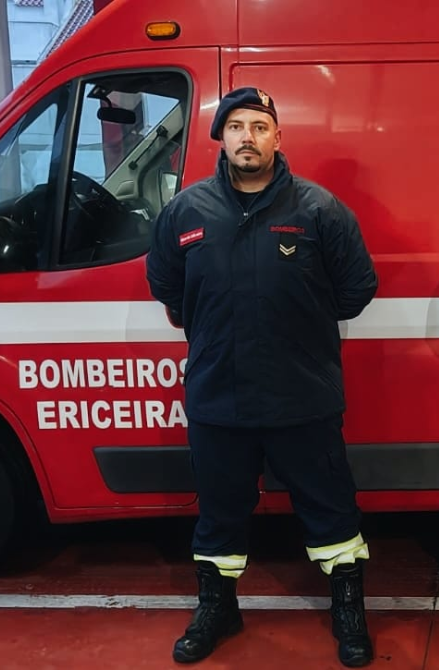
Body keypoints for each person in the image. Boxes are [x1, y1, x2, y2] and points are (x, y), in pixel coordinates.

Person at [146, 87, 378, 667]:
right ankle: (218, 608)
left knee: (331, 512)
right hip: (218, 394)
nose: (248, 137)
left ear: (278, 137)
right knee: (219, 513)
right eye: (237, 126)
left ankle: (348, 613)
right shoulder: (186, 211)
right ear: (220, 137)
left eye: (261, 126)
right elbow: (167, 286)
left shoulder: (319, 209)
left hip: (303, 394)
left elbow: (356, 289)